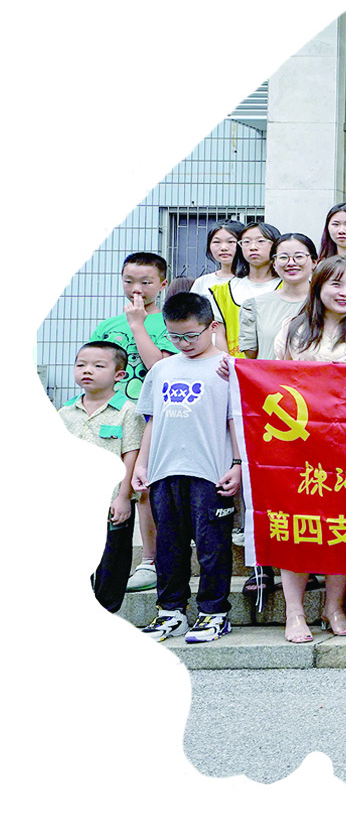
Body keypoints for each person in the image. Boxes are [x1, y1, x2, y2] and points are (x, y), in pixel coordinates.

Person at [267, 256, 346, 640]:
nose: (344, 292)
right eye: (336, 284)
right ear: (318, 286)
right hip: (298, 445)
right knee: (297, 527)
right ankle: (294, 612)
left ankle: (334, 606)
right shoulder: (293, 329)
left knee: (341, 526)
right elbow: (270, 381)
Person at [132, 292, 241, 643]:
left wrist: (238, 464)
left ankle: (214, 613)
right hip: (164, 470)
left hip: (211, 472)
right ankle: (171, 612)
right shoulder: (162, 369)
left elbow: (235, 421)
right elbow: (152, 420)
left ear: (212, 327)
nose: (184, 343)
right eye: (175, 336)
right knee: (169, 547)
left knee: (212, 547)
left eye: (192, 335)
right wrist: (141, 464)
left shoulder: (228, 368)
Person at [90, 251, 178, 592]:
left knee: (145, 489)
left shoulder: (167, 322)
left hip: (152, 416)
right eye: (129, 281)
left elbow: (159, 368)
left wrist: (138, 324)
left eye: (146, 282)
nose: (136, 289)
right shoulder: (108, 325)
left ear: (163, 284)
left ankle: (150, 561)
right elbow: (95, 368)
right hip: (114, 417)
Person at [61, 340, 144, 614]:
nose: (87, 371)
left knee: (112, 563)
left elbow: (131, 455)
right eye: (81, 365)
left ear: (119, 375)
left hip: (111, 504)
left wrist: (124, 498)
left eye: (98, 366)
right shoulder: (65, 412)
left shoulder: (128, 411)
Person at [206, 221, 281, 358]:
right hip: (235, 365)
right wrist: (228, 363)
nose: (253, 247)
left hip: (276, 366)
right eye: (246, 242)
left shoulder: (287, 287)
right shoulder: (222, 291)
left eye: (260, 241)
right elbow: (219, 333)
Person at [239, 233, 316, 362]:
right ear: (274, 264)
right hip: (268, 374)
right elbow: (251, 358)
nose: (291, 263)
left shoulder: (327, 304)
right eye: (283, 257)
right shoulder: (254, 305)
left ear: (314, 262)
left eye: (299, 257)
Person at [188, 220, 244, 298]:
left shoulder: (254, 281)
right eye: (217, 242)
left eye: (231, 241)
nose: (223, 248)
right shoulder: (202, 283)